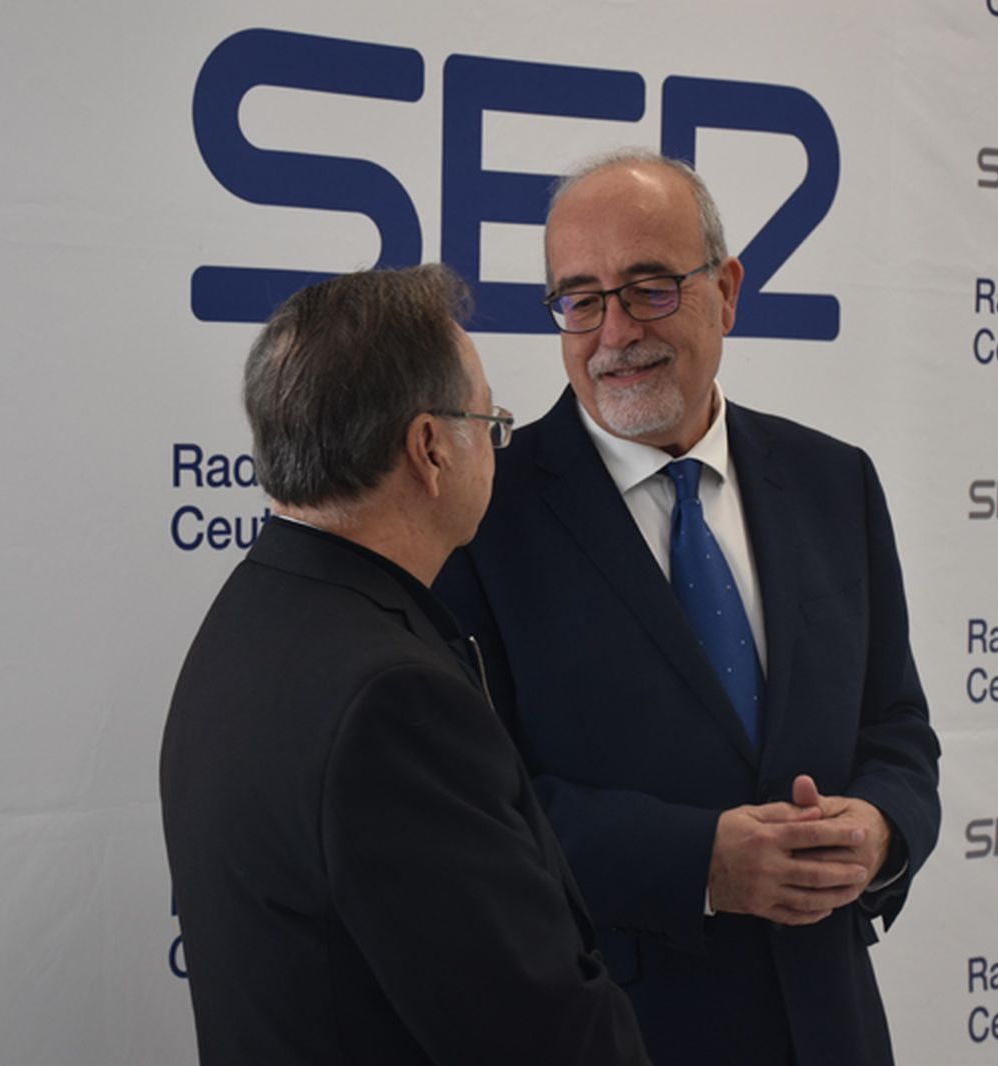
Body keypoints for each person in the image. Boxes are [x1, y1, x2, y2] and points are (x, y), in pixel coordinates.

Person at [434, 151, 941, 1066]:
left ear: (728, 290)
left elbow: (898, 726)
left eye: (649, 288)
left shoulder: (835, 482)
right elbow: (476, 809)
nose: (613, 332)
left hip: (833, 1022)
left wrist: (882, 829)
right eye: (580, 300)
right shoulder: (481, 517)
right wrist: (696, 861)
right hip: (621, 1032)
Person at [160, 264, 650, 1066]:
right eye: (491, 424)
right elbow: (537, 1033)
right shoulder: (396, 703)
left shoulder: (255, 609)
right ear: (429, 449)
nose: (499, 446)